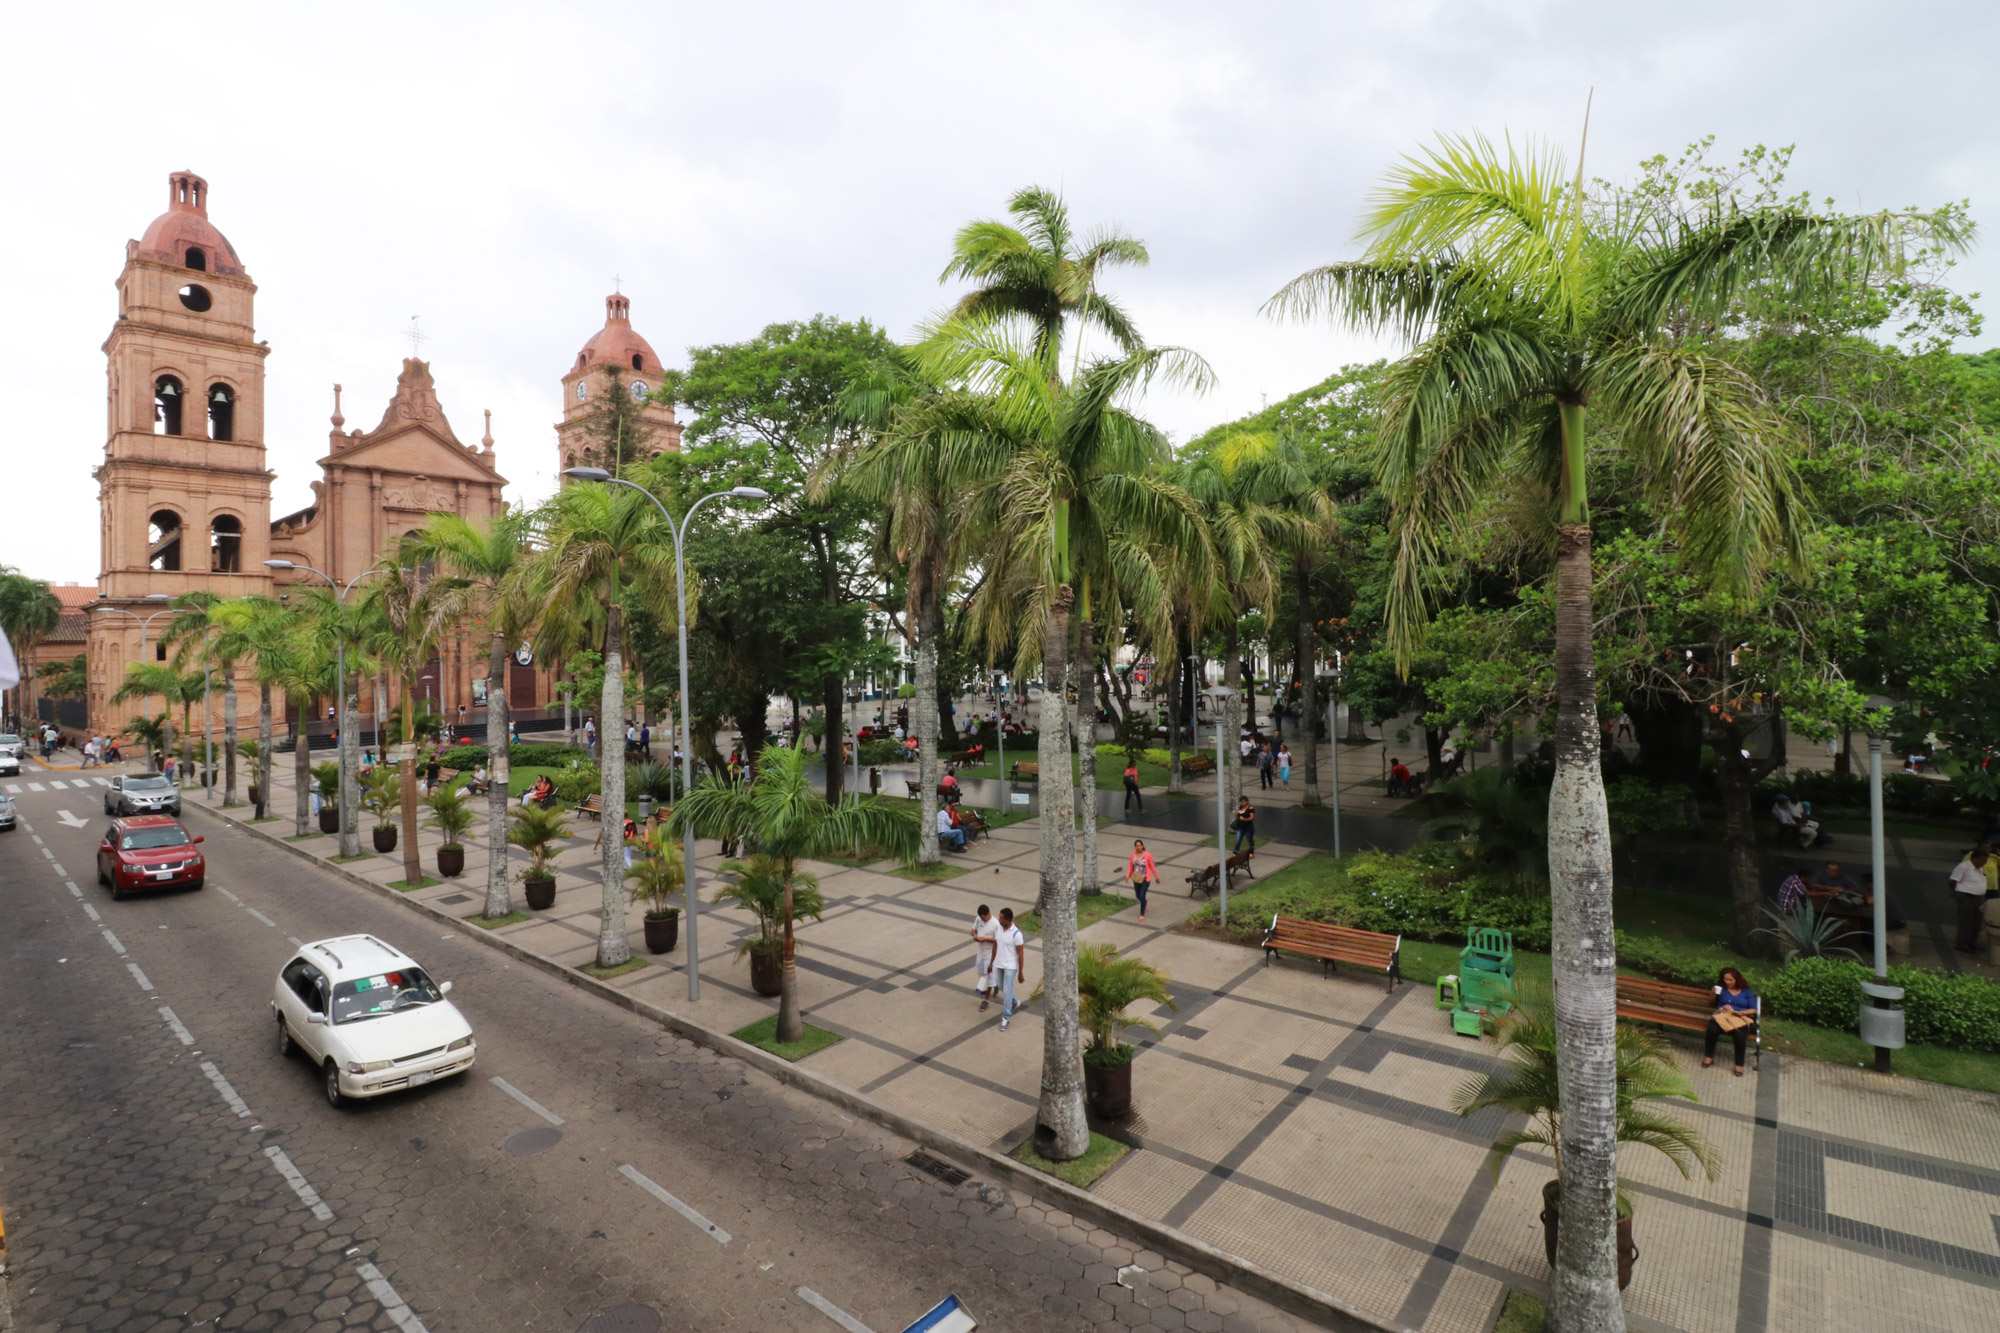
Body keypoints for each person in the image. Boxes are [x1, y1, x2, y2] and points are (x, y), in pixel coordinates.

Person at [1704, 967, 1759, 1076]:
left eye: (1730, 980)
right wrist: (1713, 994)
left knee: (1739, 1036)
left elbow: (1754, 1009)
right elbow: (1711, 1003)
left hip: (1740, 1019)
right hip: (1723, 1017)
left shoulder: (1746, 992)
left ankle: (1739, 1065)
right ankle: (1709, 1057)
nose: (1727, 982)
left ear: (1737, 980)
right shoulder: (1722, 990)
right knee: (1712, 1030)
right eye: (1725, 979)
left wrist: (1740, 1012)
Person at [991, 907, 1027, 1031]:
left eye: (1001, 917)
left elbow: (1021, 954)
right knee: (1001, 987)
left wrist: (1020, 972)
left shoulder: (1016, 934)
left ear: (1007, 919)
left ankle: (1005, 1018)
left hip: (1010, 966)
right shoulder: (998, 929)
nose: (999, 919)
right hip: (1000, 963)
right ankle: (1015, 1000)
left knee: (1007, 991)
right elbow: (995, 945)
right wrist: (992, 962)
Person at [1950, 846, 1990, 953]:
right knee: (1966, 921)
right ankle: (1962, 943)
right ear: (1975, 858)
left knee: (1977, 922)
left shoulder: (1979, 869)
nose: (1985, 863)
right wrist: (1957, 892)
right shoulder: (1963, 867)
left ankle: (1972, 942)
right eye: (1983, 860)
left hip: (1978, 897)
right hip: (1966, 896)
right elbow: (1953, 881)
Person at [970, 905, 998, 1010]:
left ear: (987, 915)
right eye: (981, 918)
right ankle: (994, 984)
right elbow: (973, 930)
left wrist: (985, 939)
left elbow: (998, 940)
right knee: (981, 974)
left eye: (983, 918)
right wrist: (975, 936)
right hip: (980, 953)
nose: (982, 920)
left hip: (990, 955)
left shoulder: (995, 924)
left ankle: (986, 1000)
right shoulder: (978, 919)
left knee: (988, 977)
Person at [1126, 839, 1158, 923]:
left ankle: (1142, 914)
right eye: (1137, 846)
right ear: (1135, 847)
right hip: (1136, 878)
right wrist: (1127, 876)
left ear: (1142, 846)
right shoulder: (1133, 855)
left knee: (1142, 894)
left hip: (1145, 879)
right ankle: (1145, 902)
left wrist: (1156, 877)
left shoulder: (1147, 855)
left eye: (1140, 846)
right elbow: (1130, 866)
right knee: (1138, 896)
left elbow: (1152, 867)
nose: (1138, 847)